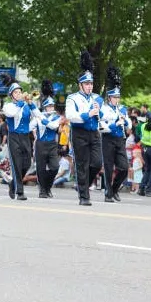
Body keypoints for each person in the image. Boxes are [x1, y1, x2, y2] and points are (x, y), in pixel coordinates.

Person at [65, 50, 104, 206]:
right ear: (80, 84)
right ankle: (84, 196)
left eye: (91, 83)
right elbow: (70, 115)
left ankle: (83, 184)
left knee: (96, 163)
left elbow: (104, 114)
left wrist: (100, 112)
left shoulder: (97, 98)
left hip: (94, 133)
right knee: (82, 163)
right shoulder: (72, 98)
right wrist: (88, 113)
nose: (90, 86)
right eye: (87, 84)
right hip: (79, 132)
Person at [0, 75, 37, 201]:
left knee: (27, 163)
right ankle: (20, 192)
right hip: (14, 137)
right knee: (17, 164)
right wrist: (22, 103)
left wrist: (32, 105)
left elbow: (37, 117)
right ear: (11, 95)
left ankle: (13, 183)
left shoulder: (26, 106)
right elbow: (12, 113)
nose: (19, 94)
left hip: (25, 137)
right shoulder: (8, 106)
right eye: (16, 92)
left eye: (20, 92)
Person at [99, 66, 131, 203]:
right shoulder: (104, 109)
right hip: (108, 139)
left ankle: (114, 188)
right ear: (109, 97)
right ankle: (108, 193)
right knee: (108, 167)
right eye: (114, 97)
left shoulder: (122, 108)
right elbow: (101, 127)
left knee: (124, 168)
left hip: (120, 140)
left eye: (118, 97)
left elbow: (129, 124)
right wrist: (114, 124)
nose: (117, 99)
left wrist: (125, 121)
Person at [32, 81, 63, 198]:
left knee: (55, 167)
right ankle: (42, 190)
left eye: (52, 106)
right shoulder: (38, 116)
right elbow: (30, 127)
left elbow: (54, 126)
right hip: (40, 144)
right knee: (40, 169)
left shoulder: (56, 117)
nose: (50, 108)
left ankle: (48, 186)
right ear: (44, 106)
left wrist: (42, 118)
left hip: (51, 144)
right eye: (48, 106)